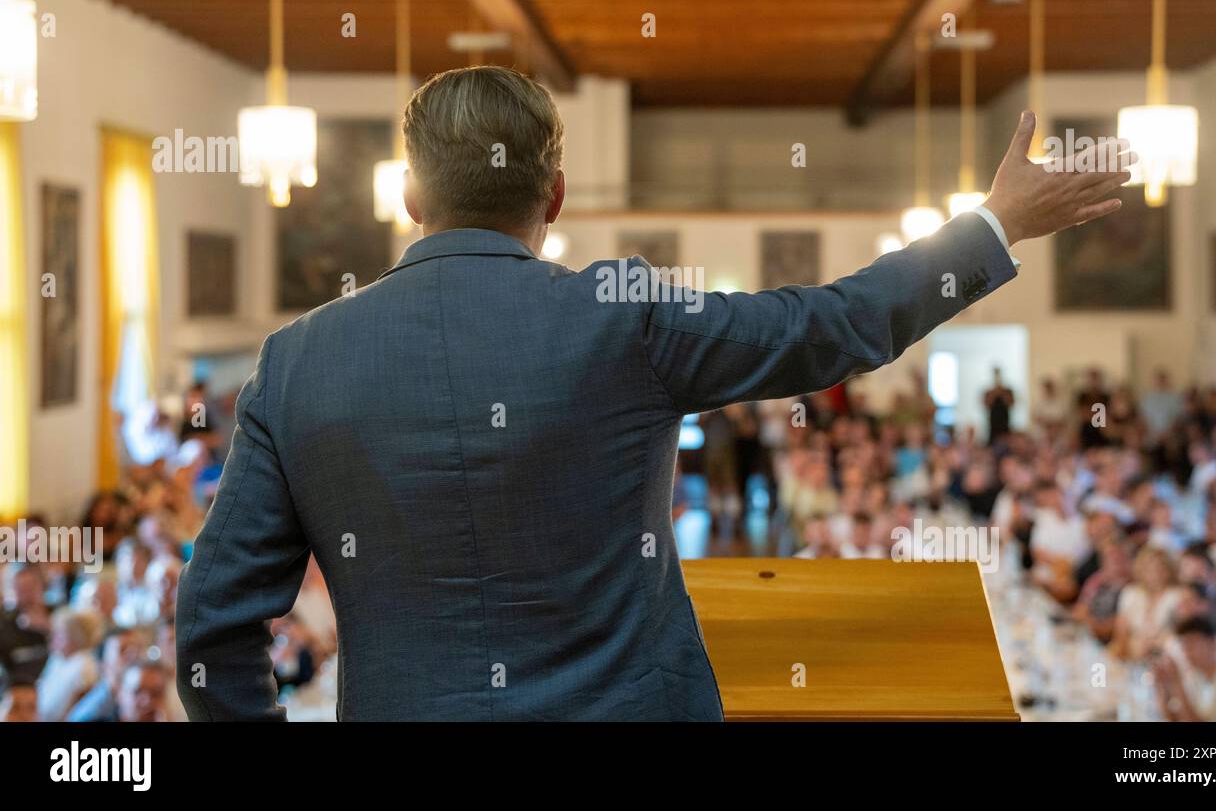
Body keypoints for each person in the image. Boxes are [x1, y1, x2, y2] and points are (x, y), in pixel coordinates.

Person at [175, 71, 1132, 721]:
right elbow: (829, 325)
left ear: (412, 199)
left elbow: (213, 625)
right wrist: (994, 226)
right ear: (553, 196)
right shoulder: (618, 317)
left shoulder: (299, 360)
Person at [983, 367, 1014, 444]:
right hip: (993, 425)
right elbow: (986, 404)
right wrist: (994, 393)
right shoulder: (989, 391)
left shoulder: (1006, 391)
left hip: (1005, 423)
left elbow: (1011, 403)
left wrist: (1002, 393)